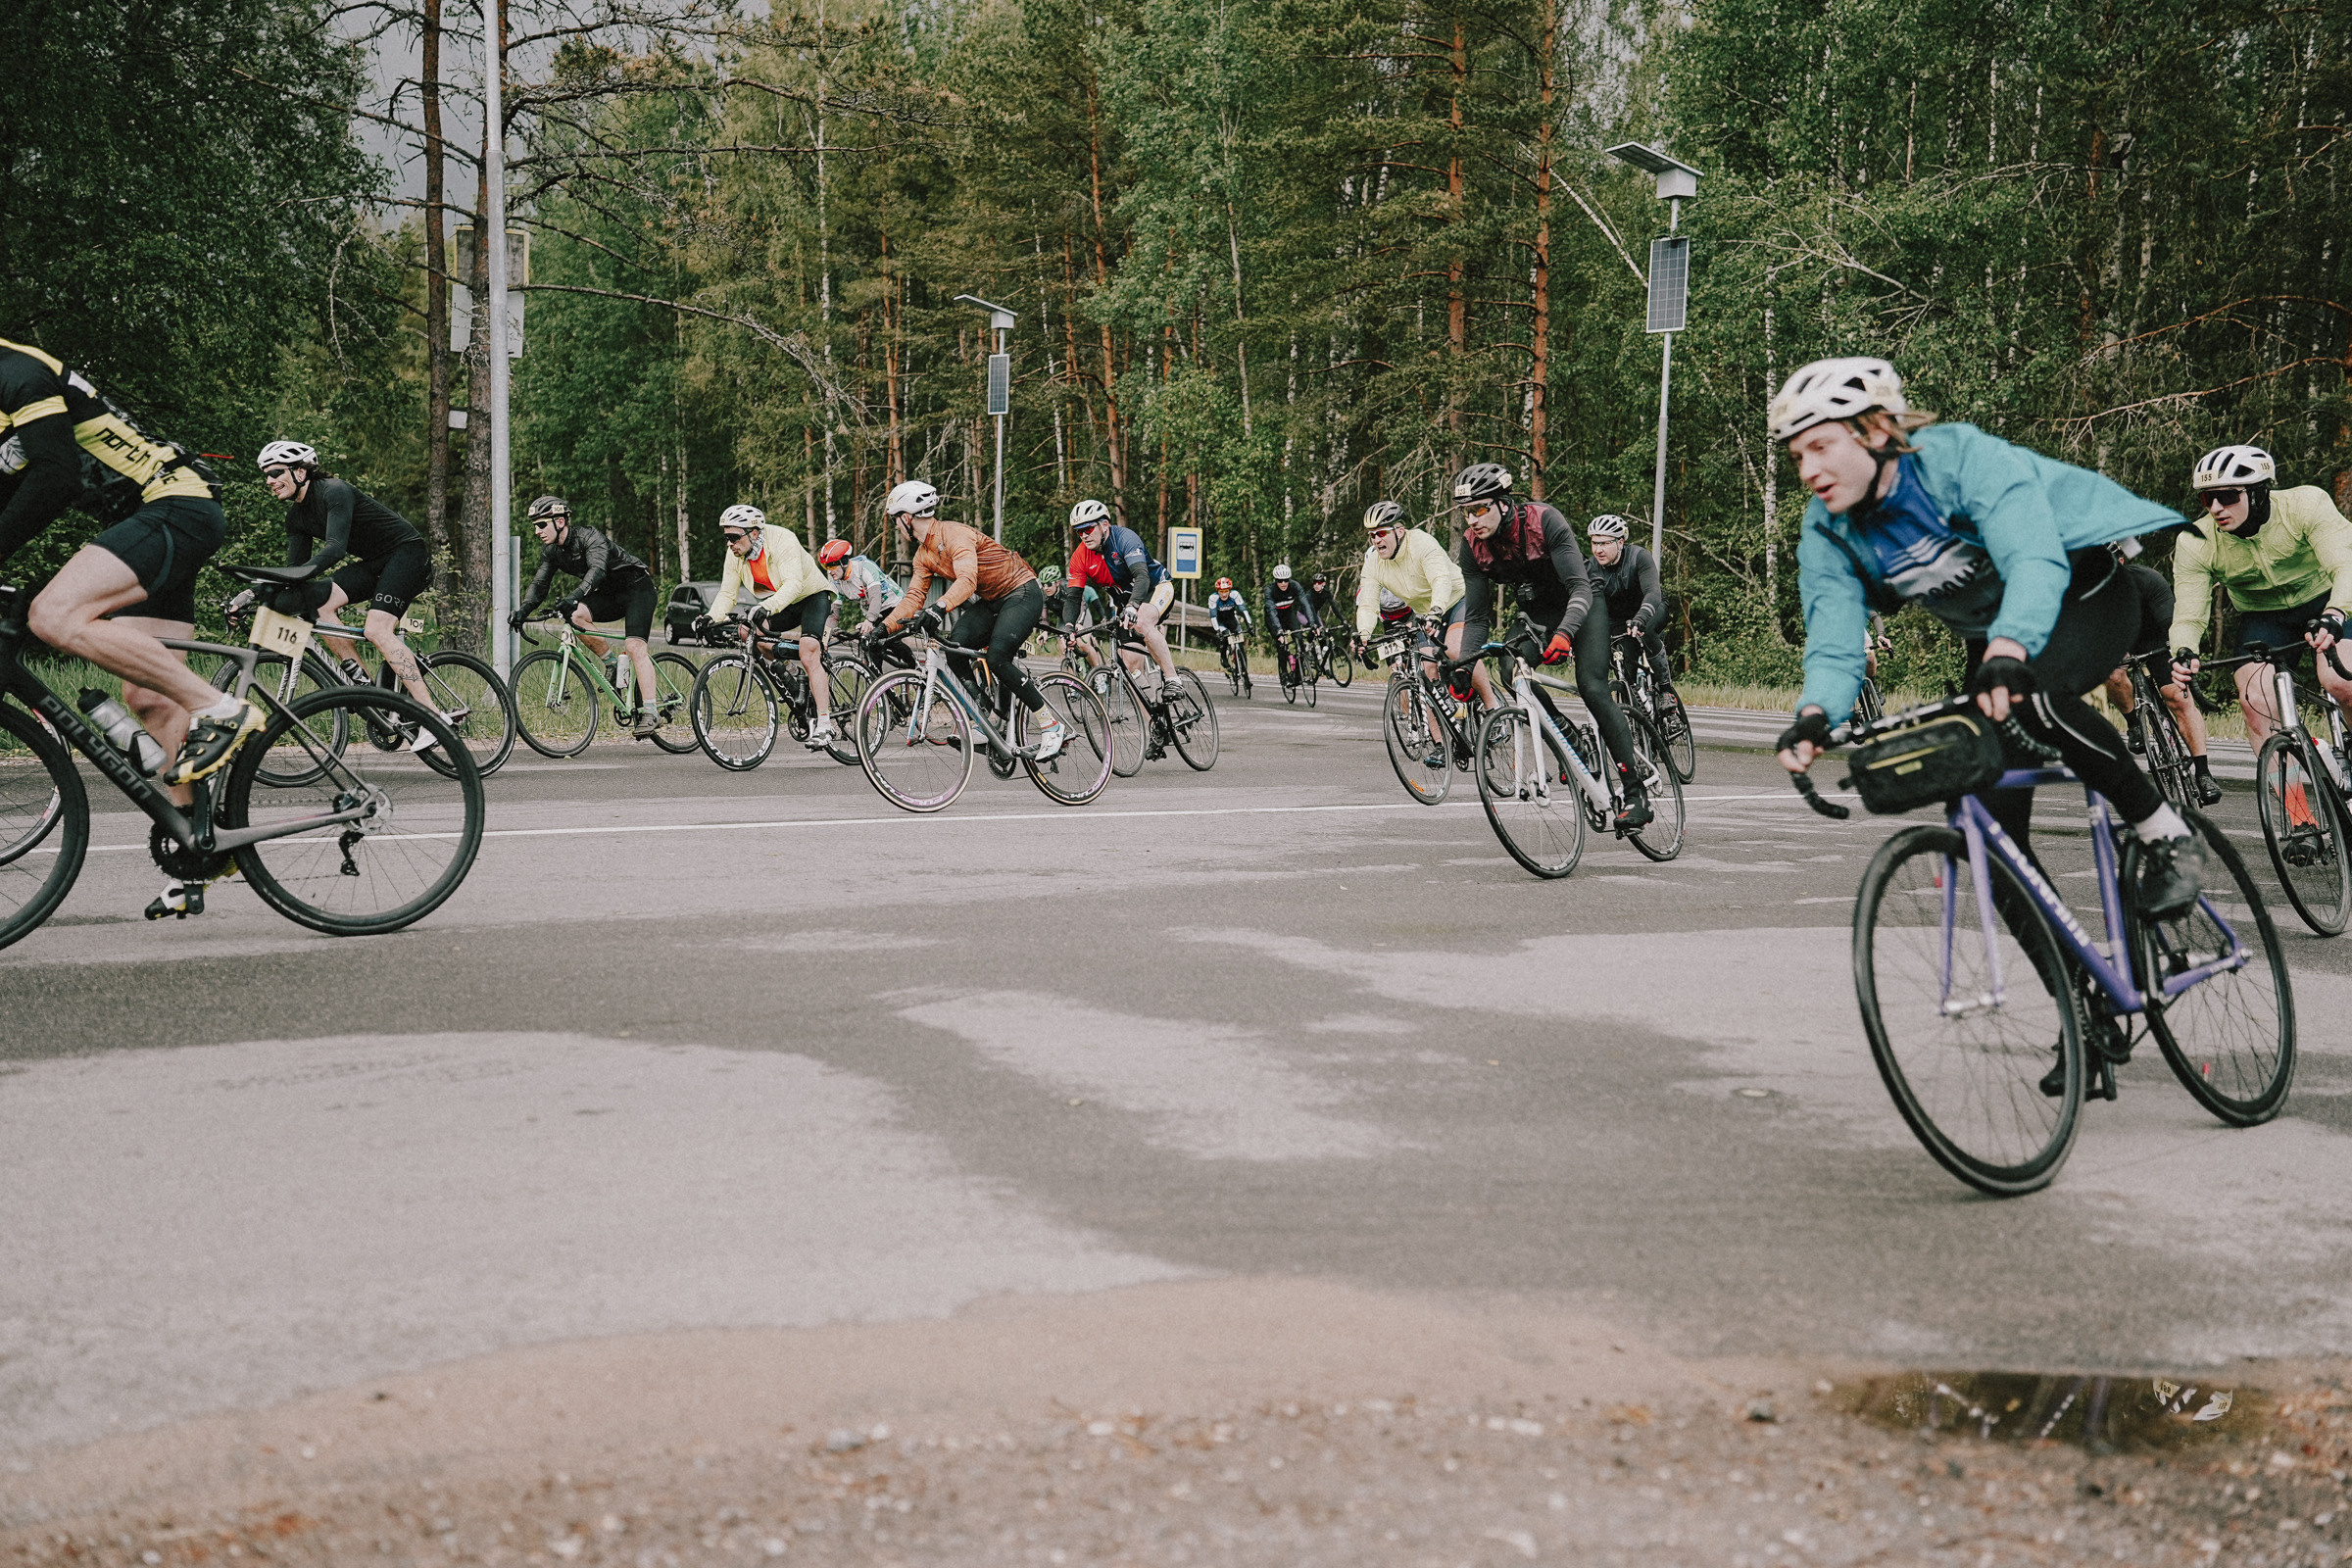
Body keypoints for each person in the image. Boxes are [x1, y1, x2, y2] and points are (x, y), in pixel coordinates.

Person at [1768, 355, 2201, 920]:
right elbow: (1833, 638)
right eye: (1797, 455)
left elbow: (2032, 557)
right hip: (1994, 635)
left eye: (1820, 447)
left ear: (1875, 431)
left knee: (2036, 694)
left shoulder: (1959, 459)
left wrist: (2009, 647)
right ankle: (2083, 995)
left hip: (2080, 589)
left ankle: (2165, 833)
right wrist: (1817, 712)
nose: (1806, 469)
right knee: (1989, 837)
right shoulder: (1828, 528)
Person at [2, 335, 253, 917]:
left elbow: (56, 478)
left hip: (173, 504)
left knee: (54, 614)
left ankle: (222, 708)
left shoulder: (18, 371)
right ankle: (202, 848)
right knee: (148, 697)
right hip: (151, 517)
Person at [1452, 470, 1652, 829]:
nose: (1472, 519)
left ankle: (1635, 792)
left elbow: (1579, 586)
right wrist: (1465, 666)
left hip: (1583, 603)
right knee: (1509, 668)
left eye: (1479, 509)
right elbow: (1478, 617)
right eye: (1466, 512)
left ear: (1502, 503)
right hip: (1538, 613)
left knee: (1592, 686)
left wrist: (1565, 633)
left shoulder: (1544, 522)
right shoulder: (1472, 545)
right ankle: (1568, 736)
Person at [2167, 443, 2352, 762]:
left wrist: (2336, 612)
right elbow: (2188, 615)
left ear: (2257, 493)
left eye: (2226, 496)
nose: (2214, 508)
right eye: (2205, 498)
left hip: (2328, 600)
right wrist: (2184, 651)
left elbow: (2345, 565)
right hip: (2264, 617)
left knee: (2341, 680)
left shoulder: (2305, 505)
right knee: (2255, 704)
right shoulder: (2196, 540)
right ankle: (2296, 812)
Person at [257, 440, 447, 751]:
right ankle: (365, 687)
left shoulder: (335, 490)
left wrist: (294, 579)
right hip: (375, 563)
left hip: (407, 553)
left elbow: (335, 548)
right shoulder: (296, 518)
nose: (269, 480)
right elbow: (295, 572)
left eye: (276, 472)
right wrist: (252, 593)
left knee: (376, 629)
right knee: (318, 602)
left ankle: (433, 716)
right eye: (266, 474)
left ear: (301, 471)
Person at [875, 479, 1065, 759]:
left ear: (906, 517)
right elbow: (913, 599)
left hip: (1022, 590)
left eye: (895, 521)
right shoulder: (923, 555)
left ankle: (1051, 724)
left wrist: (939, 607)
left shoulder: (954, 534)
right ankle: (984, 714)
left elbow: (967, 580)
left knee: (998, 657)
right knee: (955, 648)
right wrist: (883, 627)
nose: (895, 526)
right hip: (992, 600)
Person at [507, 495, 665, 740]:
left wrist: (574, 595)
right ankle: (612, 664)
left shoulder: (590, 537)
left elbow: (597, 570)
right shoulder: (552, 551)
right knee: (576, 615)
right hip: (611, 595)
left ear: (560, 521)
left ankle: (651, 712)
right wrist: (523, 610)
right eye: (535, 526)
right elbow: (540, 584)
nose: (537, 531)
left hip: (637, 589)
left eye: (541, 525)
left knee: (634, 647)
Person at [695, 505, 840, 746]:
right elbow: (727, 593)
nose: (729, 544)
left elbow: (793, 583)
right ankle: (792, 677)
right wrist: (711, 617)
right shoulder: (736, 553)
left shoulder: (783, 539)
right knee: (747, 632)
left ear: (753, 532)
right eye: (726, 538)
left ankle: (825, 725)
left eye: (733, 537)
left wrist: (768, 607)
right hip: (783, 601)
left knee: (808, 651)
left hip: (811, 596)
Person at [2098, 545, 2221, 806]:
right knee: (2112, 674)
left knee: (2176, 695)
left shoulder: (2147, 580)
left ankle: (2203, 773)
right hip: (2118, 638)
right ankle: (2134, 723)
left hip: (2157, 637)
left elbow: (2172, 626)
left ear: (2120, 561)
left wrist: (2179, 657)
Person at [1354, 500, 1475, 705]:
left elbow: (1440, 579)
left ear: (1399, 531)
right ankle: (1438, 736)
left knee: (1455, 652)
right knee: (1427, 669)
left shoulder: (1421, 543)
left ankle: (1493, 707)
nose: (1376, 540)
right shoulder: (1374, 563)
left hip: (1457, 600)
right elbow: (1367, 604)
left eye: (1381, 533)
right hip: (1424, 613)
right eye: (1372, 535)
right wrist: (1363, 635)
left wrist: (1436, 610)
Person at [1060, 499, 1180, 690]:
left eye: (1088, 529)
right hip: (1124, 601)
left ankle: (1173, 679)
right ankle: (1152, 716)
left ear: (1104, 524)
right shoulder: (1079, 557)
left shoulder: (1125, 538)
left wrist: (1133, 607)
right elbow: (1073, 597)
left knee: (1141, 621)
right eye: (1078, 531)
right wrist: (1068, 627)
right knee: (1130, 667)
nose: (1083, 535)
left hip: (1154, 587)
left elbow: (1142, 576)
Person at [1585, 514, 1680, 710]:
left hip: (1651, 607)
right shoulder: (1591, 568)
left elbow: (1653, 592)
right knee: (1625, 670)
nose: (1598, 550)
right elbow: (1588, 605)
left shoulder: (1638, 557)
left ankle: (1665, 690)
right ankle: (1636, 712)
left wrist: (1642, 617)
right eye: (1594, 543)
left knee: (1648, 631)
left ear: (1620, 542)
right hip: (1619, 619)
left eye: (1604, 544)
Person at [1205, 575, 1252, 673]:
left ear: (1229, 590)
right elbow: (1213, 616)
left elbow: (1243, 610)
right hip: (1220, 622)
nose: (1224, 594)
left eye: (1226, 591)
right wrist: (1217, 630)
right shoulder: (1213, 598)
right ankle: (1223, 657)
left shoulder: (1235, 595)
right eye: (1221, 592)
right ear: (1217, 591)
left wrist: (1249, 624)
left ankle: (1244, 670)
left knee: (1239, 641)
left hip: (1231, 619)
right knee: (1225, 637)